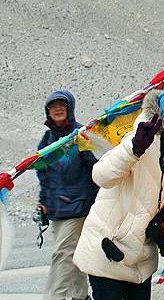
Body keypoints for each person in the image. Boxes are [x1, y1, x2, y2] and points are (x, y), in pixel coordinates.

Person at [73, 80, 164, 300]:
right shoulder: (143, 136)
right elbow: (101, 175)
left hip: (141, 255)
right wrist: (133, 150)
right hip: (109, 248)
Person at [36, 90, 98, 300]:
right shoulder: (48, 138)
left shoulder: (80, 135)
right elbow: (42, 171)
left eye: (62, 105)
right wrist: (44, 201)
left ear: (70, 108)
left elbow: (96, 169)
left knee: (62, 254)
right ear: (48, 112)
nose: (58, 109)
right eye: (53, 106)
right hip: (57, 208)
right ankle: (81, 296)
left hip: (79, 205)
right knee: (73, 254)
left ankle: (56, 297)